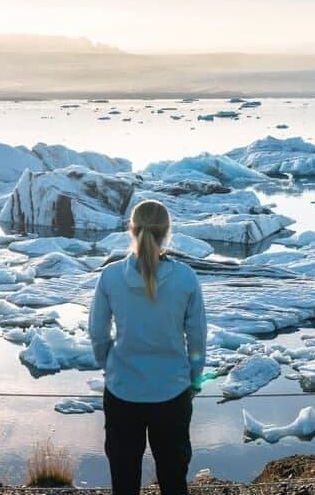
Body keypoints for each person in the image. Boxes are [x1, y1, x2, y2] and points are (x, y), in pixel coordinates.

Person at [88, 199, 207, 495]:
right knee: (173, 479)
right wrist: (194, 380)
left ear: (131, 229)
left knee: (124, 481)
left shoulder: (111, 276)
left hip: (122, 392)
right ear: (167, 232)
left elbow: (97, 333)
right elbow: (197, 338)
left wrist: (111, 368)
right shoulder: (185, 278)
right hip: (173, 393)